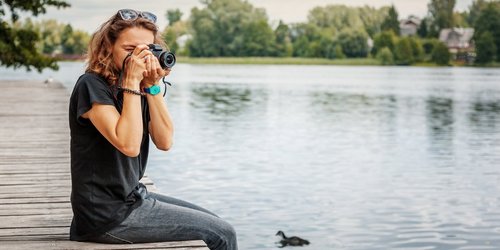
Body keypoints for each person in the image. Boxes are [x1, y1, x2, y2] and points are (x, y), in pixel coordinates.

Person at [68, 9, 238, 250]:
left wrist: (152, 86)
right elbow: (128, 144)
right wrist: (131, 84)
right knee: (222, 234)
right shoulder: (92, 85)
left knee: (218, 224)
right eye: (130, 50)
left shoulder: (139, 86)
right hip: (106, 216)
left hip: (132, 197)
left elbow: (165, 140)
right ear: (108, 48)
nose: (140, 57)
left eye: (146, 49)